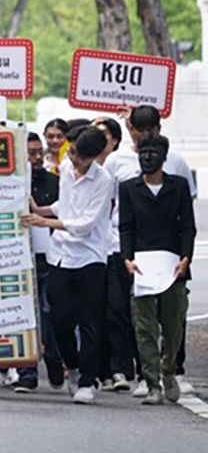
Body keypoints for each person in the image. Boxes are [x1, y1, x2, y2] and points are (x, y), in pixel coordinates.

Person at [107, 105, 198, 397]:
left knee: (173, 324)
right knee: (143, 325)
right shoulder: (128, 186)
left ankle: (170, 369)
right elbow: (125, 225)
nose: (147, 158)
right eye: (143, 153)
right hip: (141, 261)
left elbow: (188, 225)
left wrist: (185, 258)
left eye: (153, 153)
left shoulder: (179, 182)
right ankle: (151, 382)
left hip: (173, 261)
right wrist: (127, 258)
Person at [23, 126, 114, 405]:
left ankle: (87, 380)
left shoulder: (104, 181)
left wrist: (46, 222)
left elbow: (86, 223)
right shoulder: (64, 167)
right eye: (72, 152)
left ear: (95, 156)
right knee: (59, 318)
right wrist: (40, 209)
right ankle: (72, 366)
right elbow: (65, 204)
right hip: (60, 254)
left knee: (89, 321)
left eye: (80, 157)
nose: (74, 160)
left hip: (90, 256)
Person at [88, 117, 136, 393]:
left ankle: (121, 368)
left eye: (104, 133)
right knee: (94, 311)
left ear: (115, 140)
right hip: (89, 249)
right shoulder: (76, 169)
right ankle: (100, 370)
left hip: (115, 246)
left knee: (118, 309)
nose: (99, 137)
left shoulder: (117, 166)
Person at [19, 132, 62, 392]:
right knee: (23, 314)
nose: (36, 158)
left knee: (48, 312)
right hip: (16, 258)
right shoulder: (9, 185)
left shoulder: (55, 182)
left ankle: (54, 357)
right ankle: (27, 371)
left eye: (38, 152)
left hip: (49, 257)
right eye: (30, 153)